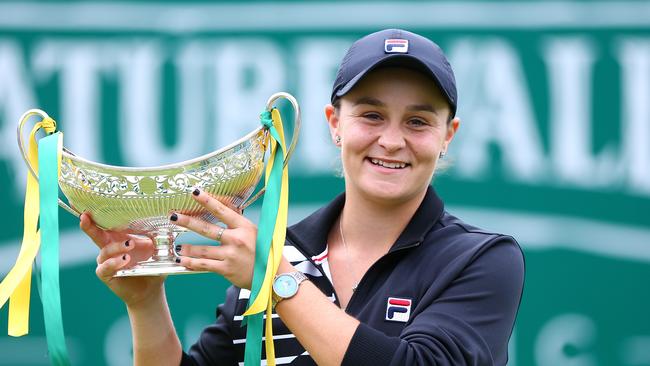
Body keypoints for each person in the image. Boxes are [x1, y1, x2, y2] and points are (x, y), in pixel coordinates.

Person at [81, 28, 525, 365]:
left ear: (448, 136)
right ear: (334, 123)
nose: (391, 140)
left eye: (418, 121)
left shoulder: (481, 259)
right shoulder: (279, 253)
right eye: (371, 115)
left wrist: (277, 281)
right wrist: (145, 305)